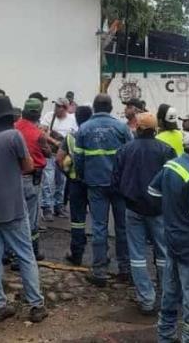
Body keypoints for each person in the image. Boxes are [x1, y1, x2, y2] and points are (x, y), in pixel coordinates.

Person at [0, 95, 47, 323]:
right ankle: (36, 305)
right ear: (9, 117)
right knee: (26, 254)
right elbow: (28, 166)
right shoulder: (13, 135)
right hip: (13, 207)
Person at [149, 130, 189, 343]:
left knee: (170, 292)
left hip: (172, 240)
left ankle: (165, 336)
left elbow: (153, 191)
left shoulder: (171, 166)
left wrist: (171, 210)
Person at [114, 112, 176, 314]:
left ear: (138, 129)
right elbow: (172, 181)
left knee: (137, 255)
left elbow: (115, 180)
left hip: (133, 208)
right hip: (159, 210)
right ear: (155, 129)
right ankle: (166, 296)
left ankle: (146, 299)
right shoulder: (166, 150)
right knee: (164, 252)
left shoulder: (125, 150)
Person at [74, 94, 133, 287]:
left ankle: (99, 271)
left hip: (95, 183)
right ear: (110, 107)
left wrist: (83, 176)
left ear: (94, 106)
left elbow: (78, 159)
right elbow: (130, 156)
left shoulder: (84, 129)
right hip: (119, 185)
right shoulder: (121, 128)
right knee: (122, 227)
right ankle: (125, 269)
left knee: (99, 226)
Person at [56, 105, 93, 266]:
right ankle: (101, 257)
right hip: (95, 183)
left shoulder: (71, 137)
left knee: (77, 220)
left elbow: (59, 159)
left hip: (76, 183)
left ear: (76, 118)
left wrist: (67, 173)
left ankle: (77, 253)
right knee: (99, 220)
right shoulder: (96, 136)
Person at [15, 98, 50, 261]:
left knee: (14, 216)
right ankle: (29, 253)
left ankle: (13, 253)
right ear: (38, 113)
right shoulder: (38, 134)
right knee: (31, 218)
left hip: (13, 177)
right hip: (31, 178)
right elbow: (48, 153)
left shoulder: (13, 128)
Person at [41, 98, 78, 219]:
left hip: (64, 156)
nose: (56, 108)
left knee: (61, 182)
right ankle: (47, 208)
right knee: (48, 181)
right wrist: (56, 142)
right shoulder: (49, 116)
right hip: (50, 154)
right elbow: (42, 132)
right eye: (56, 105)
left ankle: (58, 206)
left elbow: (74, 136)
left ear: (66, 108)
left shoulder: (72, 119)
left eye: (59, 106)